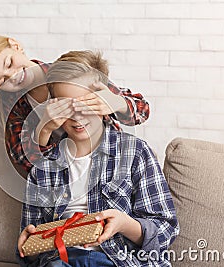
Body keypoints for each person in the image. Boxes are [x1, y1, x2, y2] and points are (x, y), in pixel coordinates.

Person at [17, 55, 179, 266]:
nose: (77, 116)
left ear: (104, 101)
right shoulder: (44, 167)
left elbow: (165, 230)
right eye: (66, 107)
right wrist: (27, 248)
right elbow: (32, 245)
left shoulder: (135, 153)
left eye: (86, 104)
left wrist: (124, 224)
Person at [0, 34, 150, 186]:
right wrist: (44, 129)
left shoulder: (69, 72)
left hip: (109, 168)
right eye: (2, 80)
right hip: (69, 184)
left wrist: (117, 103)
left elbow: (142, 111)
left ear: (15, 45)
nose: (14, 75)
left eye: (9, 63)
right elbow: (33, 169)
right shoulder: (14, 110)